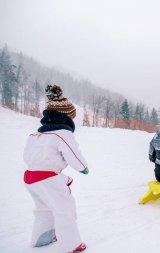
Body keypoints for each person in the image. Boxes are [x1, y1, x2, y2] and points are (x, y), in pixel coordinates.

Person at [23, 85, 88, 253]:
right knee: (64, 210)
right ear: (65, 117)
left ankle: (41, 238)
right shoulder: (62, 134)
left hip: (30, 178)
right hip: (48, 179)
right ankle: (72, 244)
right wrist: (83, 168)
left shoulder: (36, 135)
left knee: (43, 208)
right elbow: (73, 153)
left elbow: (27, 156)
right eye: (72, 118)